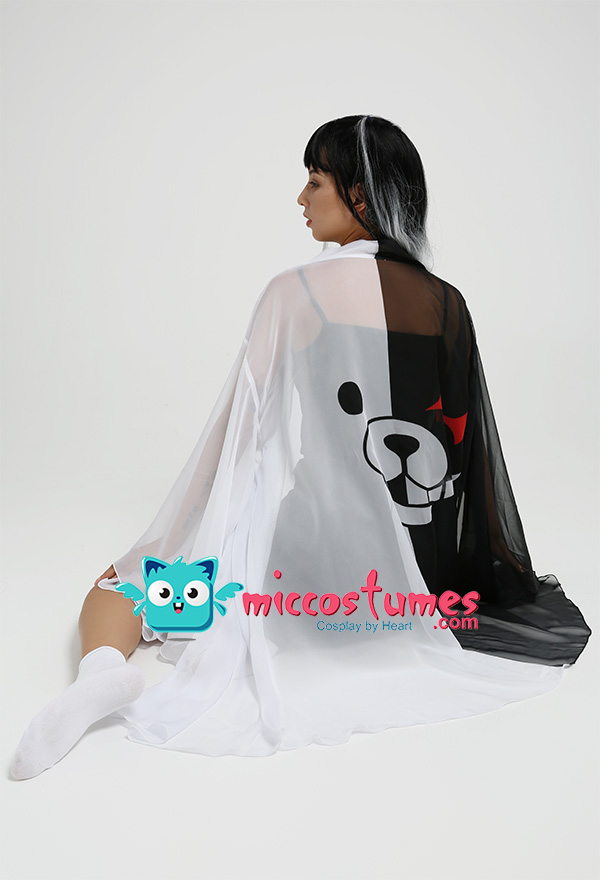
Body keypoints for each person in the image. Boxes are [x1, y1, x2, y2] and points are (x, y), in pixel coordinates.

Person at [10, 115, 591, 779]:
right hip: (419, 589)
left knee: (127, 584)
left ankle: (101, 673)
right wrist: (466, 574)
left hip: (308, 571)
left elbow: (237, 435)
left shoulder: (296, 291)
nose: (301, 198)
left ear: (359, 195)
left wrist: (167, 539)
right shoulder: (447, 303)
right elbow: (465, 448)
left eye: (315, 181)